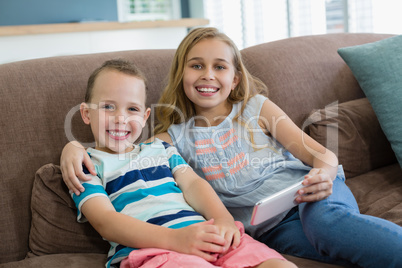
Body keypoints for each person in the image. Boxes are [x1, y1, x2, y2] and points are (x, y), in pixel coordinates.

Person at [61, 29, 402, 268]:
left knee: (326, 227)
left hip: (312, 194)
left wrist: (324, 174)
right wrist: (73, 147)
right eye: (196, 65)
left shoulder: (256, 108)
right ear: (181, 75)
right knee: (326, 249)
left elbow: (320, 154)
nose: (207, 75)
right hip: (272, 228)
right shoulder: (173, 137)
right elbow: (130, 151)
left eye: (219, 67)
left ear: (235, 78)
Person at [70, 58, 296, 268]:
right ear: (86, 113)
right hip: (155, 251)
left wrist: (225, 220)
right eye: (108, 107)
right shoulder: (85, 164)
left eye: (132, 109)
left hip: (205, 235)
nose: (121, 118)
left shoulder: (161, 149)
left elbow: (194, 186)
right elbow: (106, 222)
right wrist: (176, 239)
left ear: (146, 116)